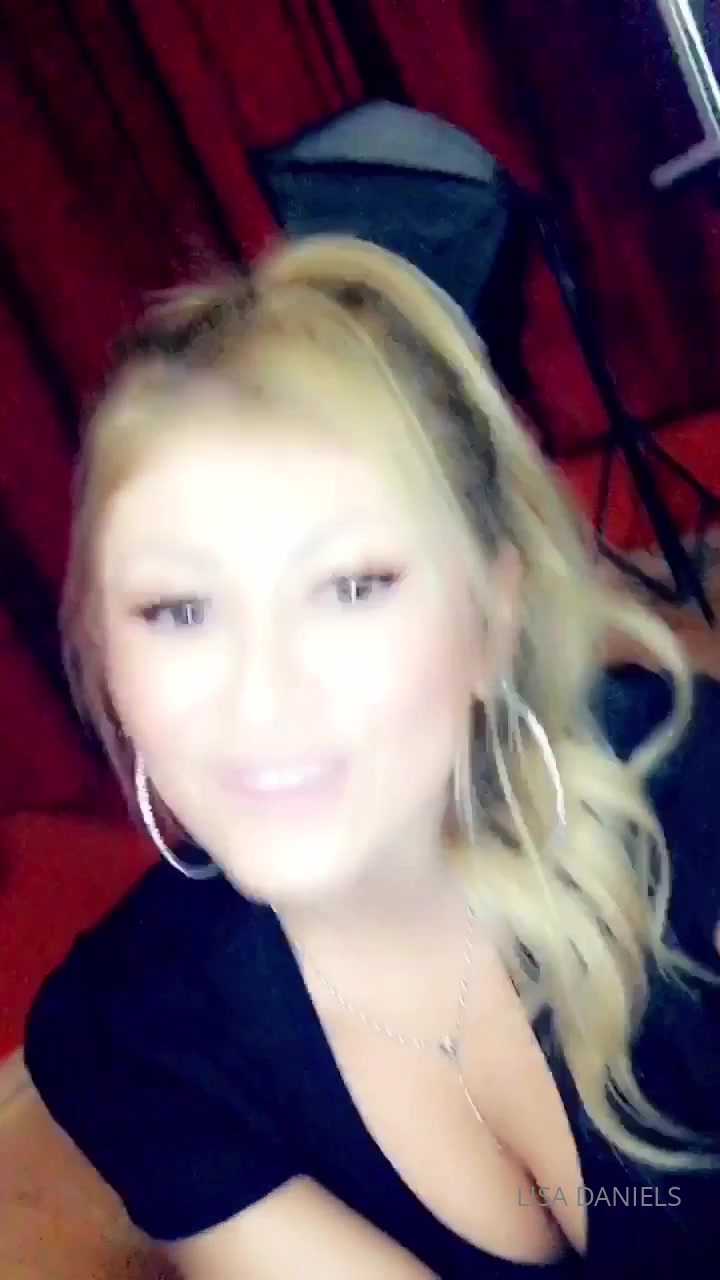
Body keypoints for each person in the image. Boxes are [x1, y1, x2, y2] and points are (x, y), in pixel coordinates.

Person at [24, 235, 720, 1279]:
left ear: (491, 617)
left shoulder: (689, 791)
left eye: (352, 586)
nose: (262, 695)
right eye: (178, 608)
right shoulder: (131, 1035)